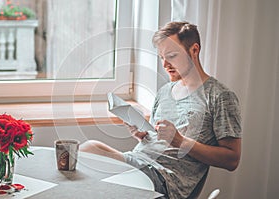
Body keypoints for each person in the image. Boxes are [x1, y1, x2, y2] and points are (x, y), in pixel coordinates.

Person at [79, 21, 242, 199]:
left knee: (90, 164)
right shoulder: (165, 91)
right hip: (139, 161)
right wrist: (142, 134)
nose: (165, 65)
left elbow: (232, 159)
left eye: (172, 56)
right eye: (161, 57)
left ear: (194, 50)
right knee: (86, 150)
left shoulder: (220, 96)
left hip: (163, 178)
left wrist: (181, 141)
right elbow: (159, 138)